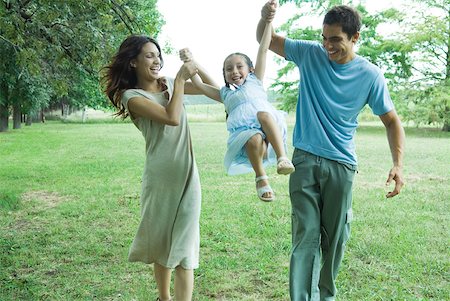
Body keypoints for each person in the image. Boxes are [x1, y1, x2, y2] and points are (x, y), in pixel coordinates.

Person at [257, 1, 405, 300]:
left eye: (335, 39)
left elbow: (391, 121)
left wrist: (398, 164)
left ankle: (326, 296)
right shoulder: (311, 53)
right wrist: (265, 18)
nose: (327, 46)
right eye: (324, 38)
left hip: (341, 165)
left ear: (355, 38)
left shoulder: (370, 75)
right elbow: (267, 39)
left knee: (335, 240)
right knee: (305, 236)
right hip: (305, 160)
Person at [102, 35, 217, 301]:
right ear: (133, 62)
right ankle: (164, 298)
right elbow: (171, 118)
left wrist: (194, 65)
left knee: (186, 248)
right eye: (149, 55)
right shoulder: (131, 96)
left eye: (158, 55)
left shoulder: (167, 84)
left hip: (187, 174)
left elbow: (214, 91)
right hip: (159, 178)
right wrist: (178, 81)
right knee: (162, 242)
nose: (157, 61)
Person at [182, 3, 294, 202]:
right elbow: (198, 84)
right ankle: (261, 178)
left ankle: (282, 157)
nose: (234, 71)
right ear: (224, 74)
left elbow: (263, 49)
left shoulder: (255, 80)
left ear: (249, 69)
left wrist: (269, 21)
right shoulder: (224, 94)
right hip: (248, 136)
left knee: (264, 114)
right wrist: (189, 61)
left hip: (270, 126)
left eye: (239, 66)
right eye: (228, 69)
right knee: (253, 138)